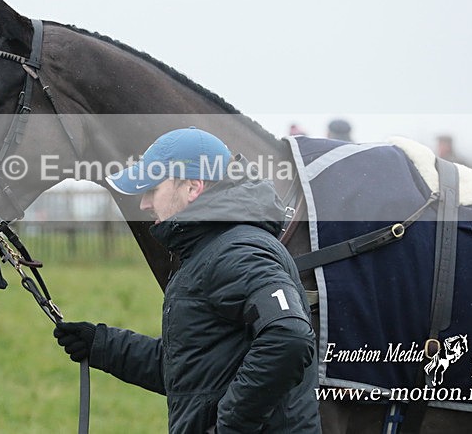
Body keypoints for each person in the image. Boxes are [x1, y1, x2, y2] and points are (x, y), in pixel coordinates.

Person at [53, 127, 320, 433]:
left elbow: (290, 337)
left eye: (153, 189)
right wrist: (101, 344)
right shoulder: (211, 250)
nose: (144, 203)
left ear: (193, 187)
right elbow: (192, 369)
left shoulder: (237, 251)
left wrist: (230, 426)